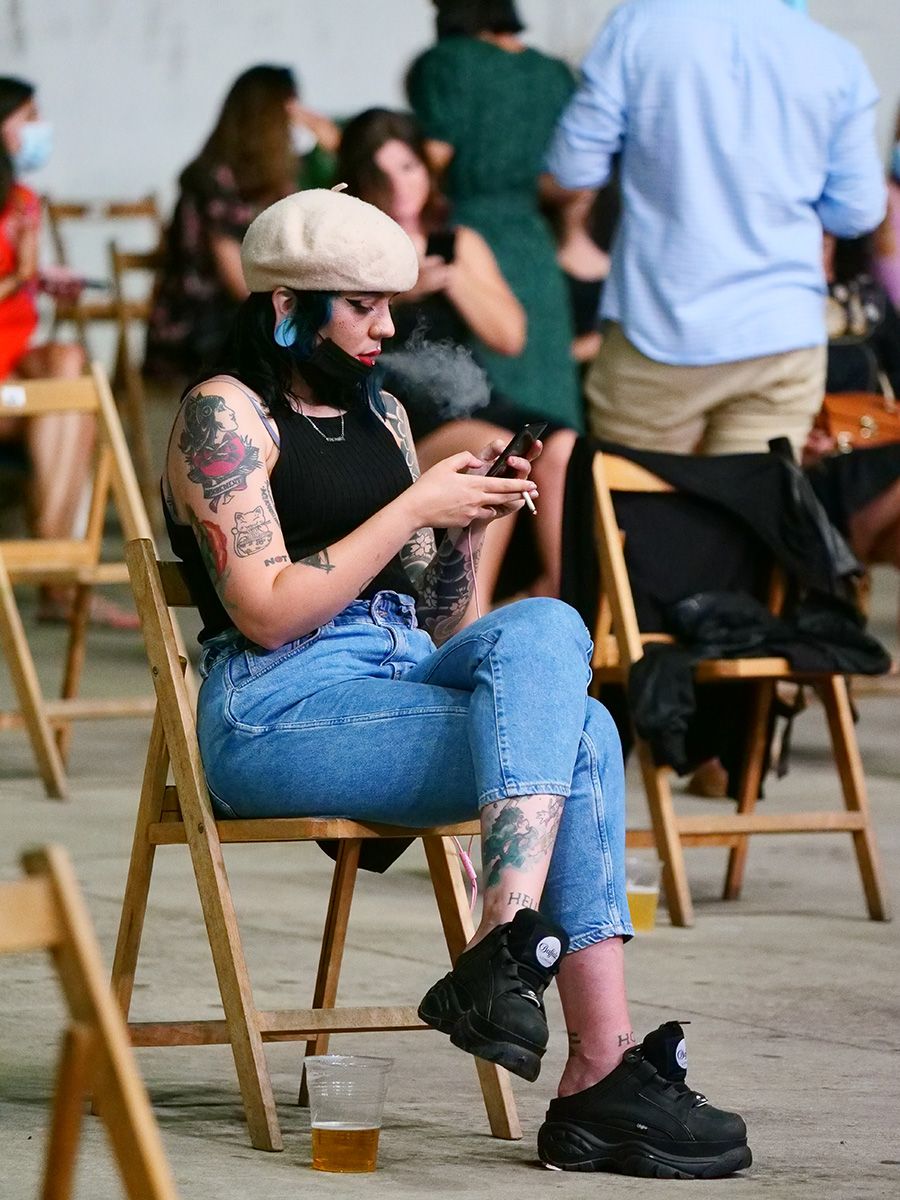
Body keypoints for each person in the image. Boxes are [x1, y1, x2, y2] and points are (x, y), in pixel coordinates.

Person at [163, 186, 751, 1177]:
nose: (387, 329)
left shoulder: (385, 414)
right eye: (363, 307)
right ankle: (595, 1069)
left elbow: (437, 625)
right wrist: (409, 510)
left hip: (395, 673)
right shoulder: (225, 414)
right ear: (287, 306)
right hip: (277, 707)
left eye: (392, 307)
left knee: (552, 628)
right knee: (586, 737)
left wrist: (463, 531)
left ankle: (507, 950)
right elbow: (263, 609)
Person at [546, 0, 887, 460]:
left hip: (657, 327)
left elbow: (572, 169)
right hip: (780, 333)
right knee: (754, 497)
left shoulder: (640, 24)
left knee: (638, 497)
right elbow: (858, 211)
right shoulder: (833, 56)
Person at [338, 107, 577, 603]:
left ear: (427, 170)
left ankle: (561, 592)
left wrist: (451, 278)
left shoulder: (456, 242)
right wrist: (402, 292)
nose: (400, 187)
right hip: (402, 414)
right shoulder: (349, 249)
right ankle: (472, 613)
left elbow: (510, 336)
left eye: (409, 168)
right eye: (382, 174)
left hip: (472, 397)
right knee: (499, 452)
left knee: (563, 446)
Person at [407, 0, 583, 430]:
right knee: (546, 387)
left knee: (488, 403)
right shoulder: (553, 73)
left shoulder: (448, 62)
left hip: (470, 237)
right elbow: (569, 181)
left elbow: (435, 156)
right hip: (534, 244)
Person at [0, 77, 136, 626]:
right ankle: (58, 583)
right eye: (28, 117)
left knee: (69, 367)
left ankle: (53, 572)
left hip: (14, 363)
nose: (40, 129)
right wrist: (21, 277)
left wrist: (37, 278)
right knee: (74, 410)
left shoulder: (23, 202)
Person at [145, 64, 338, 382]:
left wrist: (330, 149)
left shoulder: (276, 180)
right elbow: (240, 284)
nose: (293, 127)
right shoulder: (212, 179)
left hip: (252, 314)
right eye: (287, 114)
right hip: (204, 326)